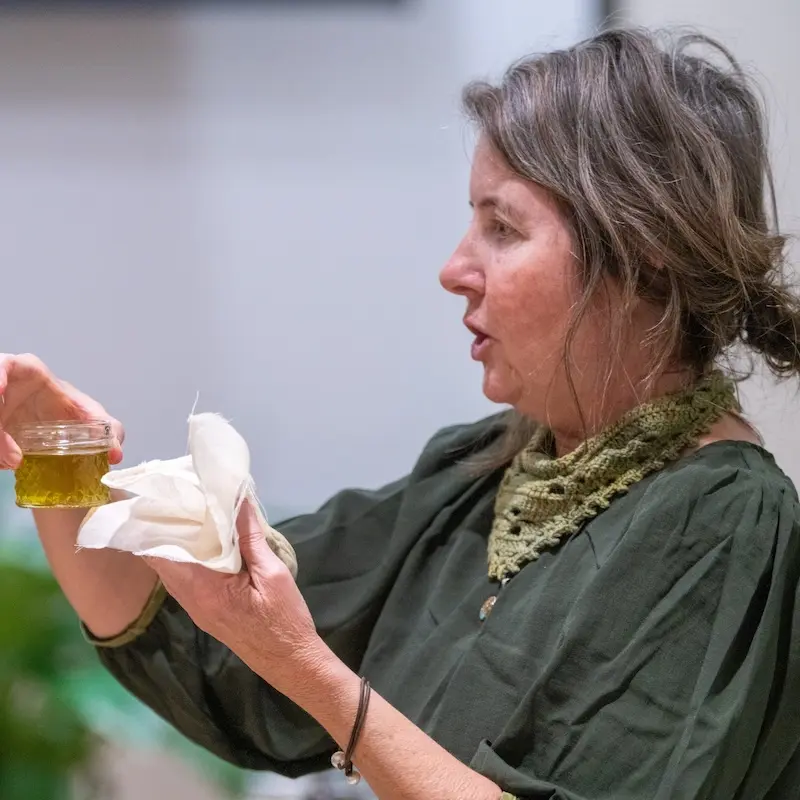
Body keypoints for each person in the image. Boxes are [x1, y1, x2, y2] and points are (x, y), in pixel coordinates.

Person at [3, 26, 800, 800]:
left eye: (502, 227)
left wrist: (306, 668)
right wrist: (53, 447)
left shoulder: (724, 525)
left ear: (642, 243)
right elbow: (195, 646)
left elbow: (282, 654)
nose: (455, 268)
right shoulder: (478, 472)